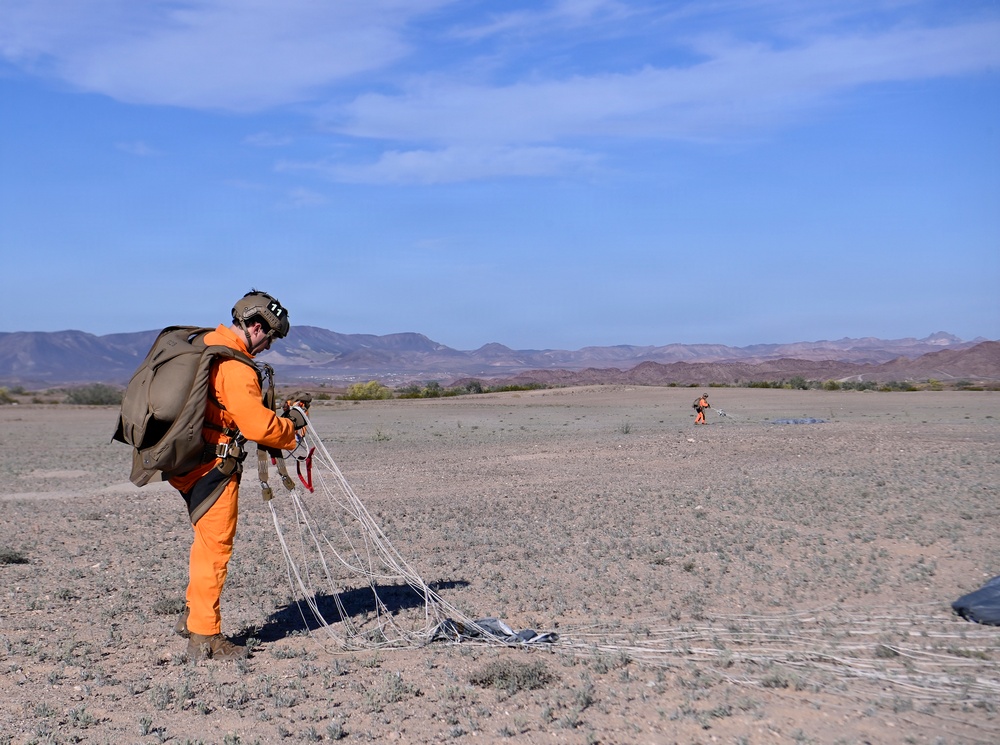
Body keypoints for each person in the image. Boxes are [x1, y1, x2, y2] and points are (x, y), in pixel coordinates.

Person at [171, 290, 307, 661]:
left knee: (204, 545)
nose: (269, 346)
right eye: (271, 337)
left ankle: (192, 617)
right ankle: (205, 638)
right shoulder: (234, 365)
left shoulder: (205, 343)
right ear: (258, 327)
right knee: (214, 551)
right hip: (212, 467)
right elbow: (259, 427)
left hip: (186, 462)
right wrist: (292, 427)